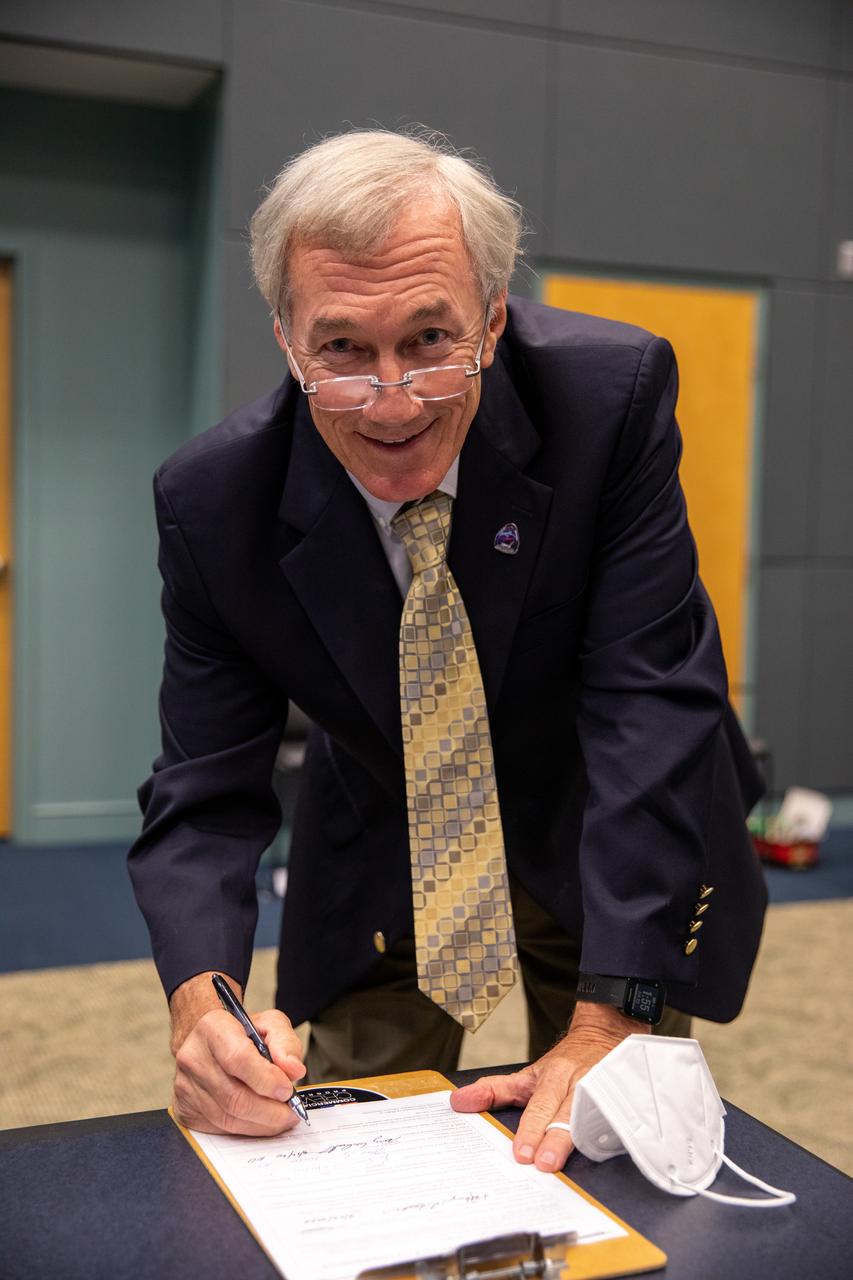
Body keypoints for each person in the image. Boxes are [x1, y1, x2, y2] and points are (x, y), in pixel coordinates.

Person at [129, 128, 766, 1172]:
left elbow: (647, 702)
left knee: (608, 1128)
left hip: (604, 819)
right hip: (385, 824)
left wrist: (615, 1015)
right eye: (342, 349)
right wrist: (202, 1001)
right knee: (337, 1138)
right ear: (287, 341)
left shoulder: (608, 402)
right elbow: (202, 788)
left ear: (494, 317)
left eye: (430, 338)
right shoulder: (212, 503)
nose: (393, 400)